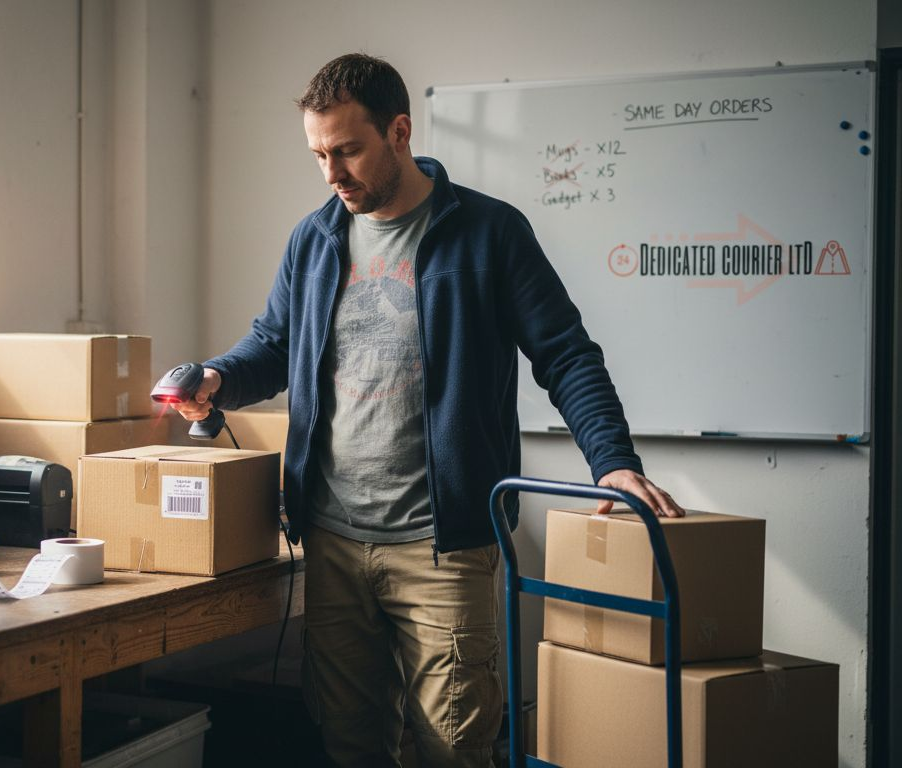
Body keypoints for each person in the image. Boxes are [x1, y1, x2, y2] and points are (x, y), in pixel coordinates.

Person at [173, 53, 684, 768]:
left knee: (453, 751)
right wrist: (219, 379)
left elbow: (566, 353)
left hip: (443, 547)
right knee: (351, 747)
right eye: (319, 154)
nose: (332, 173)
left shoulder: (489, 233)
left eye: (348, 150)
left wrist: (615, 465)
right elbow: (273, 343)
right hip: (333, 540)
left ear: (400, 132)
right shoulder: (314, 239)